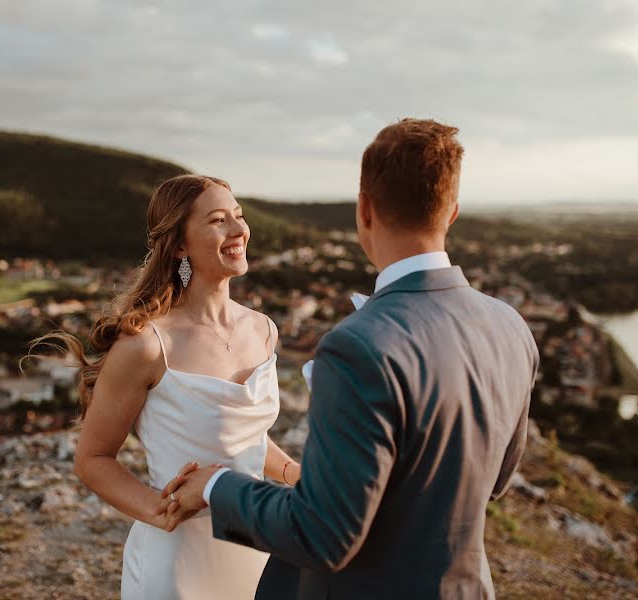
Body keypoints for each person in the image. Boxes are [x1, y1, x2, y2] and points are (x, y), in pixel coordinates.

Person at [160, 119, 540, 599]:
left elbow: (323, 536)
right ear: (452, 213)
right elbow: (493, 481)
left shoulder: (359, 345)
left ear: (364, 210)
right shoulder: (510, 326)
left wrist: (217, 487)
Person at [28, 174, 300, 599]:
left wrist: (292, 473)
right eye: (217, 220)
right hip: (180, 564)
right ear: (179, 245)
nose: (238, 229)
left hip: (255, 548)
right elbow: (93, 458)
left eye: (239, 216)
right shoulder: (146, 345)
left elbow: (241, 436)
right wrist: (162, 511)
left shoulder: (263, 329)